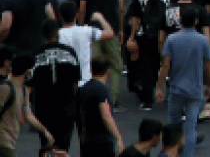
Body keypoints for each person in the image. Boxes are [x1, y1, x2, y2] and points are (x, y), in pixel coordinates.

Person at [155, 5, 210, 157]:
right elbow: (208, 66)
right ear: (197, 20)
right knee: (191, 125)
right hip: (195, 89)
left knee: (173, 124)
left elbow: (165, 65)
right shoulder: (203, 40)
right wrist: (208, 85)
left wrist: (159, 87)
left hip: (176, 88)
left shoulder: (172, 39)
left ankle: (170, 152)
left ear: (179, 19)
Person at [30, 19, 80, 152]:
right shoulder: (70, 53)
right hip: (66, 107)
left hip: (44, 109)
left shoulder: (35, 56)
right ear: (57, 34)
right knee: (63, 147)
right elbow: (75, 84)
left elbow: (29, 86)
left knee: (46, 145)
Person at [0, 51, 53, 156]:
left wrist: (45, 132)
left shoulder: (23, 90)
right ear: (27, 70)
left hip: (11, 142)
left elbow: (29, 116)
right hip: (3, 142)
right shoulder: (6, 88)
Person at [79, 57, 124, 157]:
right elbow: (106, 116)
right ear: (107, 72)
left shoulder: (84, 88)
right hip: (103, 141)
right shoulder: (101, 89)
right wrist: (118, 137)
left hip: (88, 140)